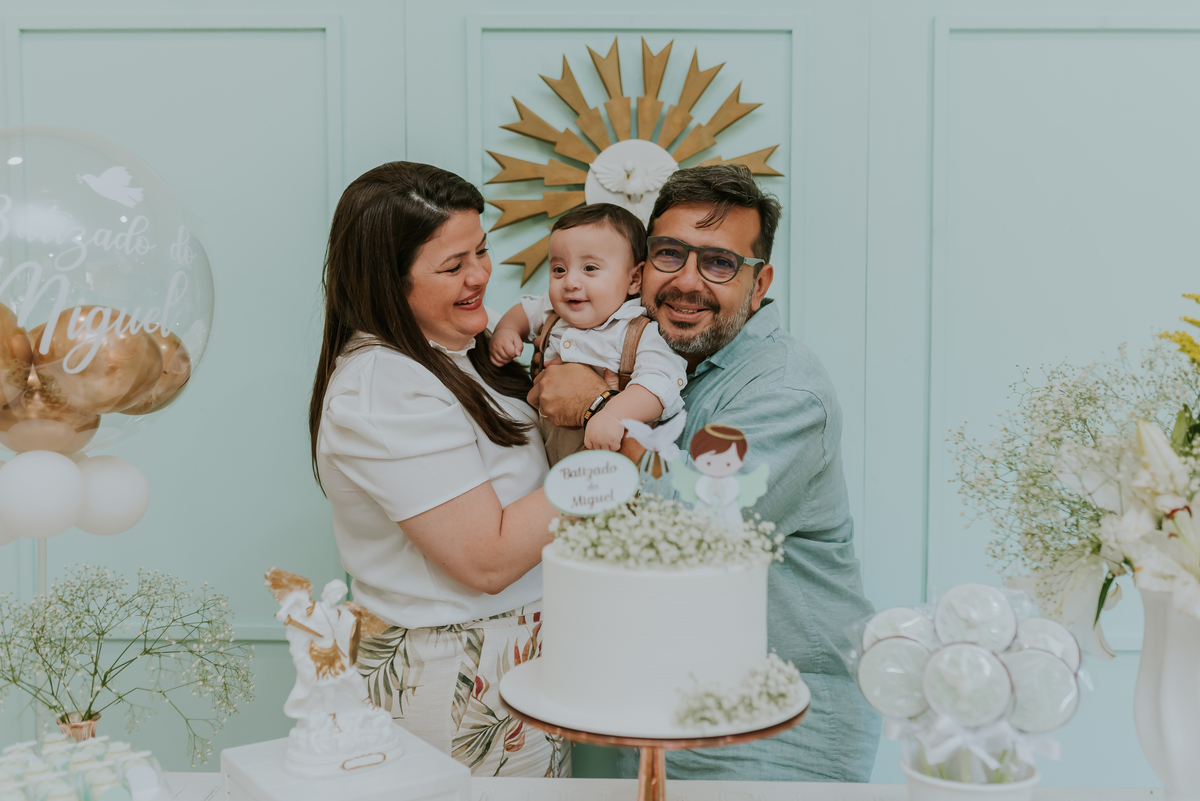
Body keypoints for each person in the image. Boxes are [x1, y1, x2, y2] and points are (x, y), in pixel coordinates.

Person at [529, 164, 880, 782]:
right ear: (641, 267)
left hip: (772, 728)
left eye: (718, 262)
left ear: (759, 280)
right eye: (670, 254)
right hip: (648, 708)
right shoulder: (653, 356)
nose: (687, 281)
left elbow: (696, 525)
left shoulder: (785, 389)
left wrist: (595, 407)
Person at [308, 162, 569, 778]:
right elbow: (488, 559)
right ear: (386, 281)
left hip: (520, 655)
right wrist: (611, 464)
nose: (479, 275)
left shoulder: (459, 350)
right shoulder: (385, 389)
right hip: (451, 670)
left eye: (480, 251)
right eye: (452, 267)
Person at [489, 203, 687, 463]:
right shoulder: (552, 312)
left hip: (604, 467)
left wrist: (612, 413)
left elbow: (660, 385)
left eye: (590, 268)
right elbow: (524, 311)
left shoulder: (638, 333)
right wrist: (507, 330)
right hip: (544, 458)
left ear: (634, 280)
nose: (570, 282)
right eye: (559, 269)